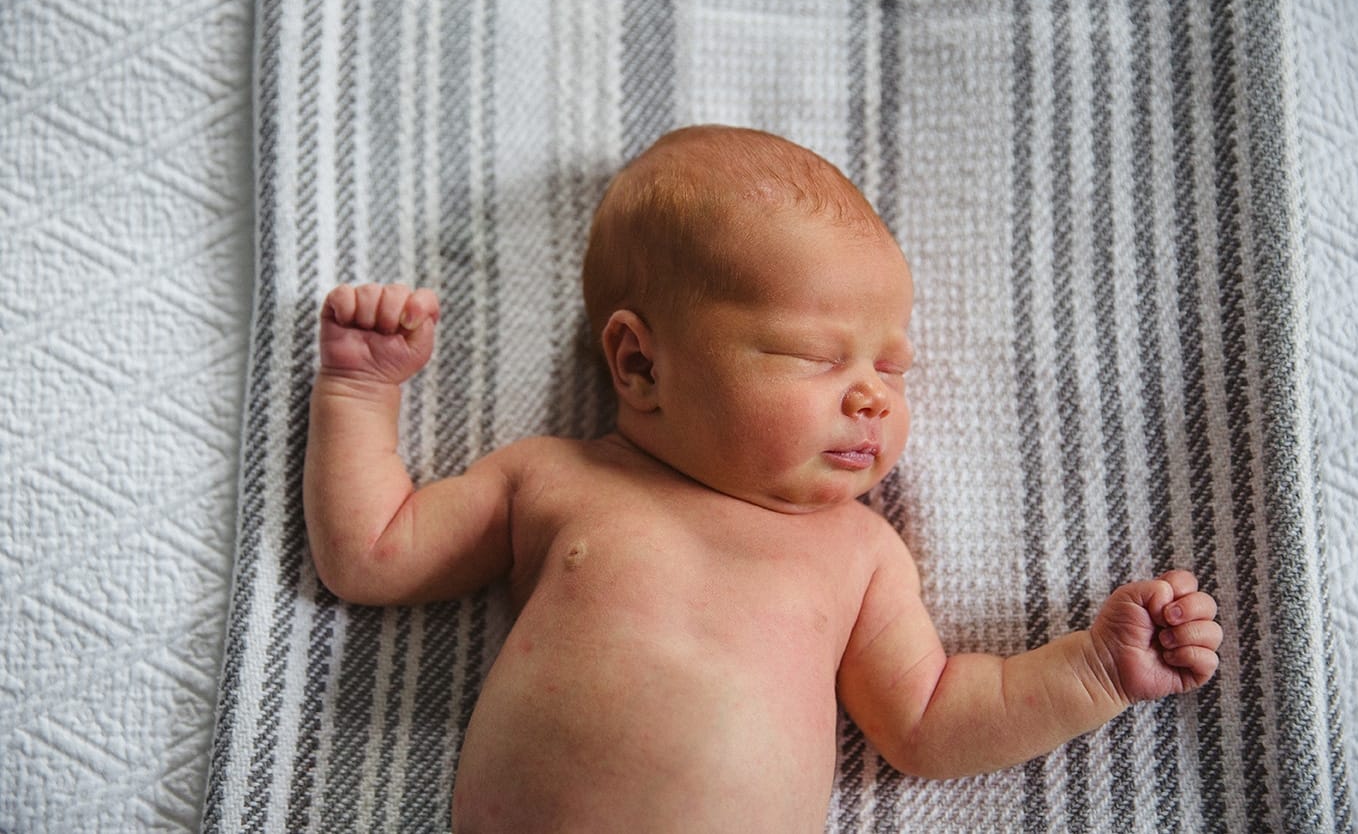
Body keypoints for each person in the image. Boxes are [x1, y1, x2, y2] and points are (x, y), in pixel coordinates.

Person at [303, 125, 1222, 832]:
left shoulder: (858, 554)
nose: (871, 396)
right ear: (640, 365)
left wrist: (1094, 670)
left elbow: (930, 720)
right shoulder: (554, 481)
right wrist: (358, 389)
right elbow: (373, 555)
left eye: (891, 368)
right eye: (814, 356)